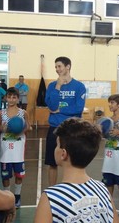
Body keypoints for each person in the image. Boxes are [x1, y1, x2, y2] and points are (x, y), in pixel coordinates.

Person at [34, 118, 119, 223]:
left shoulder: (51, 198)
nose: (55, 148)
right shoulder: (103, 189)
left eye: (57, 145)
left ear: (63, 154)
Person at [45, 56, 86, 186]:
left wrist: (60, 109)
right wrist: (58, 86)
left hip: (71, 129)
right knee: (52, 163)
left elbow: (78, 108)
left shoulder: (79, 86)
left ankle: (71, 188)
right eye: (56, 67)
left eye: (59, 66)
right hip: (55, 127)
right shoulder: (52, 86)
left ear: (67, 67)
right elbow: (52, 106)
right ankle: (51, 191)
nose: (57, 69)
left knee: (73, 163)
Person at [0, 87, 31, 208]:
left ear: (17, 98)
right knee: (5, 176)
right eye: (9, 97)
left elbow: (29, 127)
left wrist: (21, 129)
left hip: (18, 151)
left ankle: (17, 197)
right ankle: (7, 197)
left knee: (18, 175)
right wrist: (2, 129)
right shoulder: (1, 113)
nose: (11, 99)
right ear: (6, 98)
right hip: (5, 152)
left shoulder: (23, 113)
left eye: (14, 97)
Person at [101, 94, 119, 223]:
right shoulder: (108, 120)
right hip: (109, 158)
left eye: (112, 103)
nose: (110, 105)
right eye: (109, 102)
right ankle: (109, 208)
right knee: (108, 184)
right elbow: (105, 136)